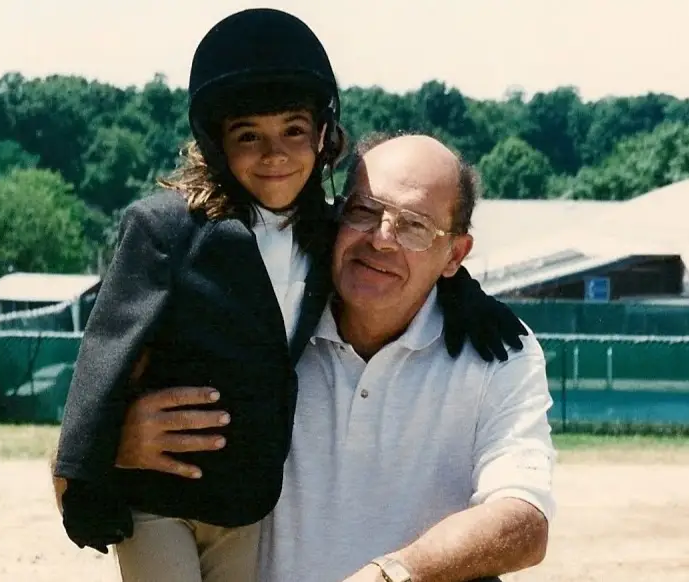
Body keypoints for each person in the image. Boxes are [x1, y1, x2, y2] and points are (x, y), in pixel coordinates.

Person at [52, 9, 528, 582]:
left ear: (322, 136)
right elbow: (107, 350)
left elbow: (417, 254)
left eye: (292, 131)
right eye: (247, 135)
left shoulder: (328, 233)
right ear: (216, 141)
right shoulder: (170, 230)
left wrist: (474, 301)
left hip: (243, 501)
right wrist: (91, 460)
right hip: (163, 491)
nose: (274, 155)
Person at [257, 133, 556, 582]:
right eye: (363, 211)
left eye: (414, 226)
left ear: (455, 254)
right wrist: (122, 436)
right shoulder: (270, 321)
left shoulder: (500, 352)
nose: (381, 239)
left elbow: (524, 521)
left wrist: (393, 575)